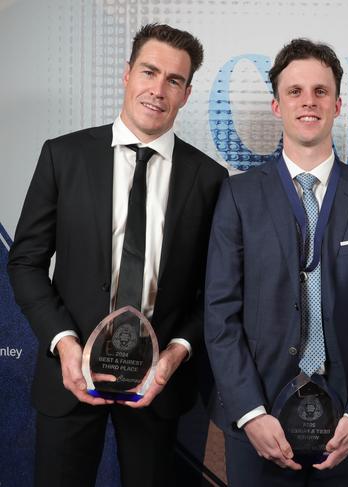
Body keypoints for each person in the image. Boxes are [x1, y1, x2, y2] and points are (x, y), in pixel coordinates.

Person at [8, 23, 227, 487]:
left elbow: (215, 290)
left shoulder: (209, 178)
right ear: (126, 74)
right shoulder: (62, 156)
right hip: (68, 379)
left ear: (186, 94)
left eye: (174, 80)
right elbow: (25, 261)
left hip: (158, 387)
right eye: (149, 71)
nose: (158, 89)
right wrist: (64, 343)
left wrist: (174, 355)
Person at [204, 38, 348, 486]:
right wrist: (251, 414)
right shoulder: (238, 196)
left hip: (347, 426)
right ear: (277, 106)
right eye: (295, 91)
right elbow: (219, 314)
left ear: (337, 104)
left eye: (320, 91)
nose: (308, 102)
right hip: (259, 425)